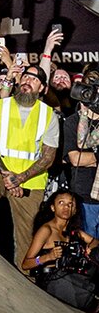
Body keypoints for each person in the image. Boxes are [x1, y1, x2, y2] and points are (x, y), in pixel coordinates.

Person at [0, 64, 60, 268]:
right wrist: (7, 176)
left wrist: (20, 179)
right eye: (25, 76)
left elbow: (48, 157)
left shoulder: (49, 115)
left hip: (31, 181)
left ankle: (27, 280)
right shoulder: (0, 107)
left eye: (34, 79)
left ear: (42, 88)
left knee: (26, 239)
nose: (27, 81)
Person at [21, 192, 99, 309]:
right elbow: (26, 264)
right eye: (61, 203)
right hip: (54, 279)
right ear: (53, 207)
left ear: (75, 210)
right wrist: (47, 257)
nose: (66, 207)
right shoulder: (46, 230)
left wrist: (90, 248)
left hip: (73, 275)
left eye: (70, 204)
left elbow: (95, 241)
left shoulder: (74, 230)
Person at [61, 64, 99, 240]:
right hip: (84, 198)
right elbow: (75, 158)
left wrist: (91, 159)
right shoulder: (71, 122)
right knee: (89, 251)